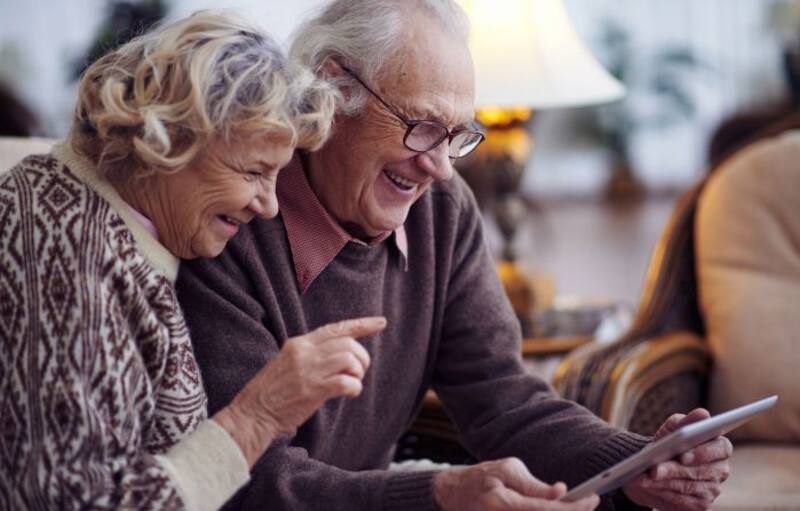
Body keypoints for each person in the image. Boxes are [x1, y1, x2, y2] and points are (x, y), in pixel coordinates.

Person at [177, 1, 732, 510]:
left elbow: (503, 400)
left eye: (457, 136)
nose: (441, 167)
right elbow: (249, 483)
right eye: (421, 128)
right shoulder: (228, 225)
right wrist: (437, 496)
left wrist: (638, 462)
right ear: (332, 88)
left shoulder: (441, 210)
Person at [0, 11, 386, 511]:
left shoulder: (123, 229)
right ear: (169, 139)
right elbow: (73, 502)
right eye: (254, 172)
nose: (269, 205)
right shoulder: (65, 250)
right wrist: (257, 416)